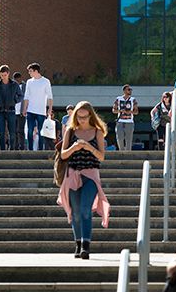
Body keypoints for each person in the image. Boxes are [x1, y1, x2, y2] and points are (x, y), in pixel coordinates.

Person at [57, 101, 110, 260]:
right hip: (72, 174)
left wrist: (89, 147)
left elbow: (101, 156)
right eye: (78, 117)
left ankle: (86, 245)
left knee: (85, 209)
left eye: (84, 117)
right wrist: (74, 147)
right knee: (76, 213)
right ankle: (78, 243)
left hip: (91, 175)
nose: (81, 120)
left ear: (90, 116)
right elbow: (63, 154)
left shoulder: (97, 132)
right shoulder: (70, 131)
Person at [0, 65, 24, 151]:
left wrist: (14, 101)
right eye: (1, 75)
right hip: (1, 111)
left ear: (8, 73)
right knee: (1, 133)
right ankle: (2, 151)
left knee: (12, 133)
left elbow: (20, 96)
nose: (3, 77)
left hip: (11, 111)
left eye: (5, 75)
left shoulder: (14, 84)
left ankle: (11, 149)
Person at [22, 63, 53, 151]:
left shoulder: (45, 81)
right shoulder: (29, 82)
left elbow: (50, 97)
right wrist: (24, 108)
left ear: (36, 71)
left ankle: (40, 150)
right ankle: (30, 149)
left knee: (40, 131)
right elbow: (26, 96)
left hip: (41, 111)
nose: (29, 73)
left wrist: (50, 109)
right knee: (30, 130)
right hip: (30, 110)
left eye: (31, 71)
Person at [112, 85, 138, 151]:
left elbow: (136, 111)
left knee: (128, 138)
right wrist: (120, 111)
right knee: (119, 137)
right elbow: (113, 110)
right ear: (124, 91)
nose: (130, 91)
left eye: (131, 90)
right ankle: (121, 151)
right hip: (120, 120)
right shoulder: (118, 99)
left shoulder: (133, 100)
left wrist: (130, 112)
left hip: (129, 121)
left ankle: (128, 152)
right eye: (128, 89)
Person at [13, 72, 26, 150]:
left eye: (18, 79)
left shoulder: (25, 87)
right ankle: (15, 146)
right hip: (13, 112)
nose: (17, 81)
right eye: (15, 80)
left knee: (21, 130)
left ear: (20, 78)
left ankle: (22, 146)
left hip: (21, 112)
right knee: (13, 131)